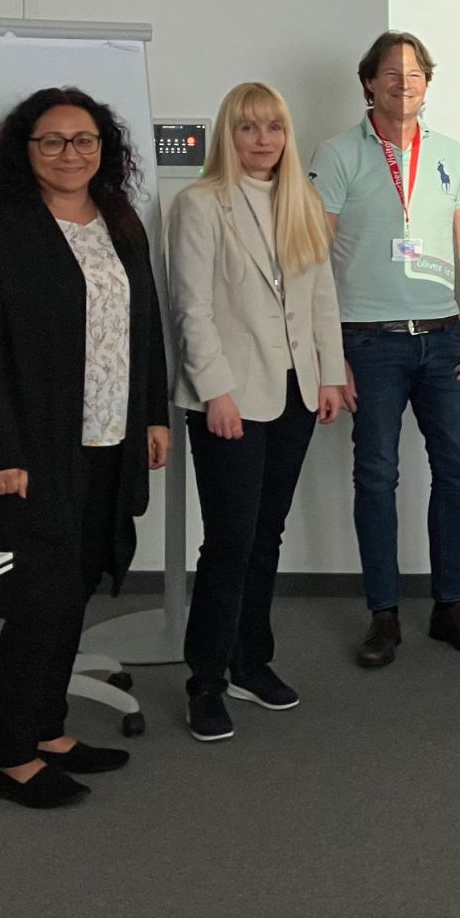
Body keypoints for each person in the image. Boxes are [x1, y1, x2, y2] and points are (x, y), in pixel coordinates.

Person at [0, 88, 170, 808]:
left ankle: (49, 730)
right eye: (52, 140)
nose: (70, 154)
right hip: (35, 446)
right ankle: (11, 755)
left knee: (74, 587)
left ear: (104, 148)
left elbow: (144, 324)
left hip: (110, 438)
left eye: (84, 140)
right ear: (26, 149)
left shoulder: (118, 218)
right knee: (38, 596)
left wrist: (154, 415)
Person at [309, 31, 460, 668]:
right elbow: (313, 256)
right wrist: (328, 352)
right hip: (369, 343)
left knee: (459, 471)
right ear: (369, 82)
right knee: (377, 476)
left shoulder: (450, 153)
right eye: (391, 73)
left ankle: (451, 605)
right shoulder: (337, 154)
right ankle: (383, 614)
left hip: (444, 339)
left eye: (415, 74)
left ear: (427, 84)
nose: (404, 84)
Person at [169, 82, 347, 741]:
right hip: (230, 397)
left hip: (296, 392)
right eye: (248, 128)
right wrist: (216, 391)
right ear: (229, 135)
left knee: (267, 533)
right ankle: (205, 680)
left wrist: (331, 375)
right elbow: (191, 308)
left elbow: (321, 296)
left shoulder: (302, 200)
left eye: (273, 127)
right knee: (230, 540)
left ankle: (250, 662)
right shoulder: (199, 204)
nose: (263, 140)